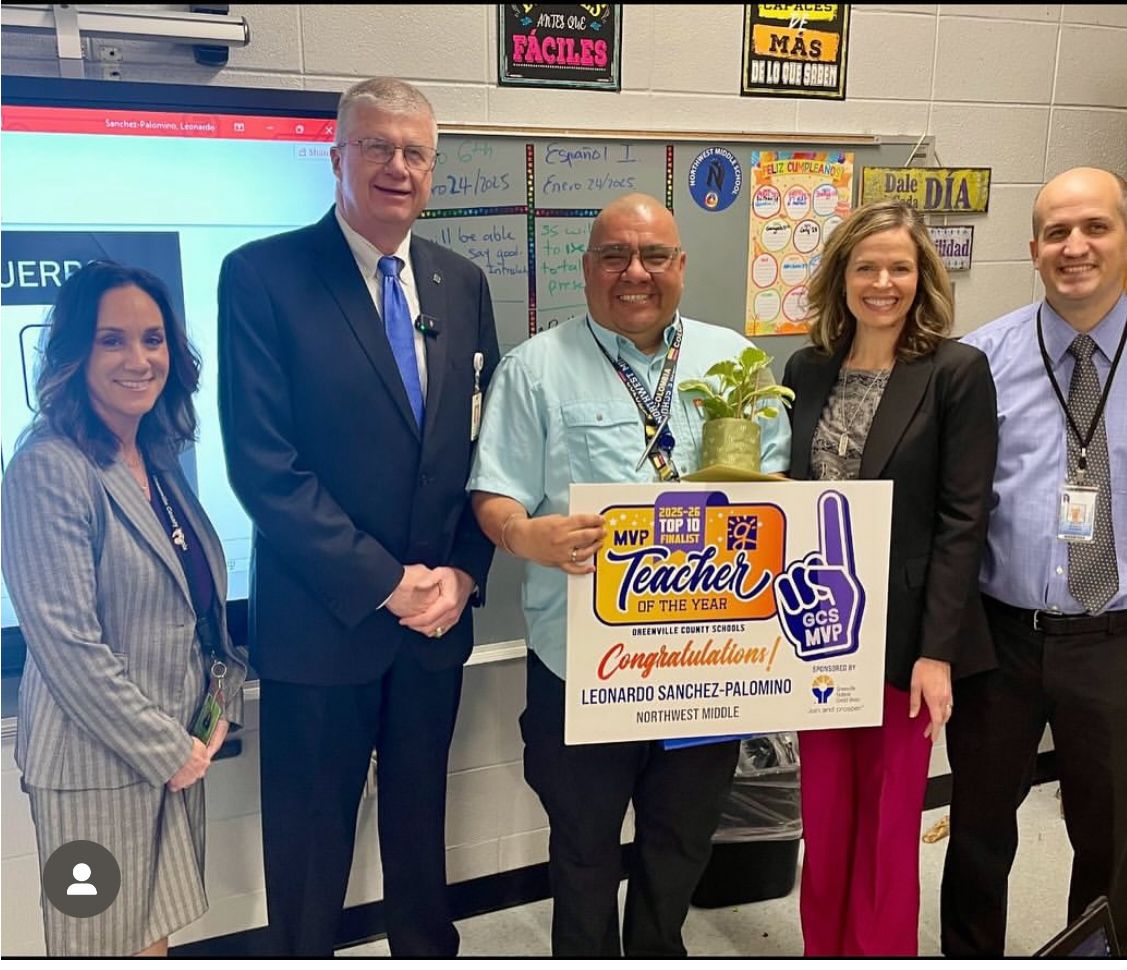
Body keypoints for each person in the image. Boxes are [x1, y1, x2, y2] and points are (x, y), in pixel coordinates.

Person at [217, 77, 499, 957]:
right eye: (376, 146)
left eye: (415, 152)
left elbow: (473, 448)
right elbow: (266, 468)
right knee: (311, 847)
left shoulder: (462, 282)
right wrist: (387, 586)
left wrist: (462, 572)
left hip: (435, 624)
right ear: (335, 156)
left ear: (433, 170)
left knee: (421, 829)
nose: (396, 166)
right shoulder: (262, 275)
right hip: (323, 624)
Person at [468, 192, 791, 956]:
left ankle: (656, 948)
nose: (633, 273)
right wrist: (520, 533)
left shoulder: (736, 362)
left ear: (680, 266)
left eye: (652, 257)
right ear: (586, 270)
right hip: (582, 665)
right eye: (613, 256)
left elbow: (777, 493)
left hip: (704, 666)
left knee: (680, 840)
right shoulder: (534, 369)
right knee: (581, 845)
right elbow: (493, 494)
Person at [1, 260, 247, 957]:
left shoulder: (154, 455)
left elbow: (190, 601)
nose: (138, 359)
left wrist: (214, 700)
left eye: (153, 338)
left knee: (148, 938)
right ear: (74, 354)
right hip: (95, 771)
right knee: (96, 948)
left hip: (170, 752)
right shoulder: (49, 467)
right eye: (112, 340)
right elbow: (65, 645)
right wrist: (168, 751)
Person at [781, 200, 998, 956]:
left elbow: (960, 520)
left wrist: (936, 652)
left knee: (886, 826)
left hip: (905, 641)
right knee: (826, 819)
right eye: (865, 266)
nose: (882, 282)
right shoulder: (805, 369)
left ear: (921, 276)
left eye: (898, 267)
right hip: (817, 634)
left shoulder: (955, 372)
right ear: (840, 275)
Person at [941, 166, 1127, 955]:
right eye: (1055, 232)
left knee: (1110, 839)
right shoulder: (979, 361)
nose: (1073, 247)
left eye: (1094, 228)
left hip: (1114, 639)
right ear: (1032, 248)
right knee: (978, 833)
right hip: (998, 639)